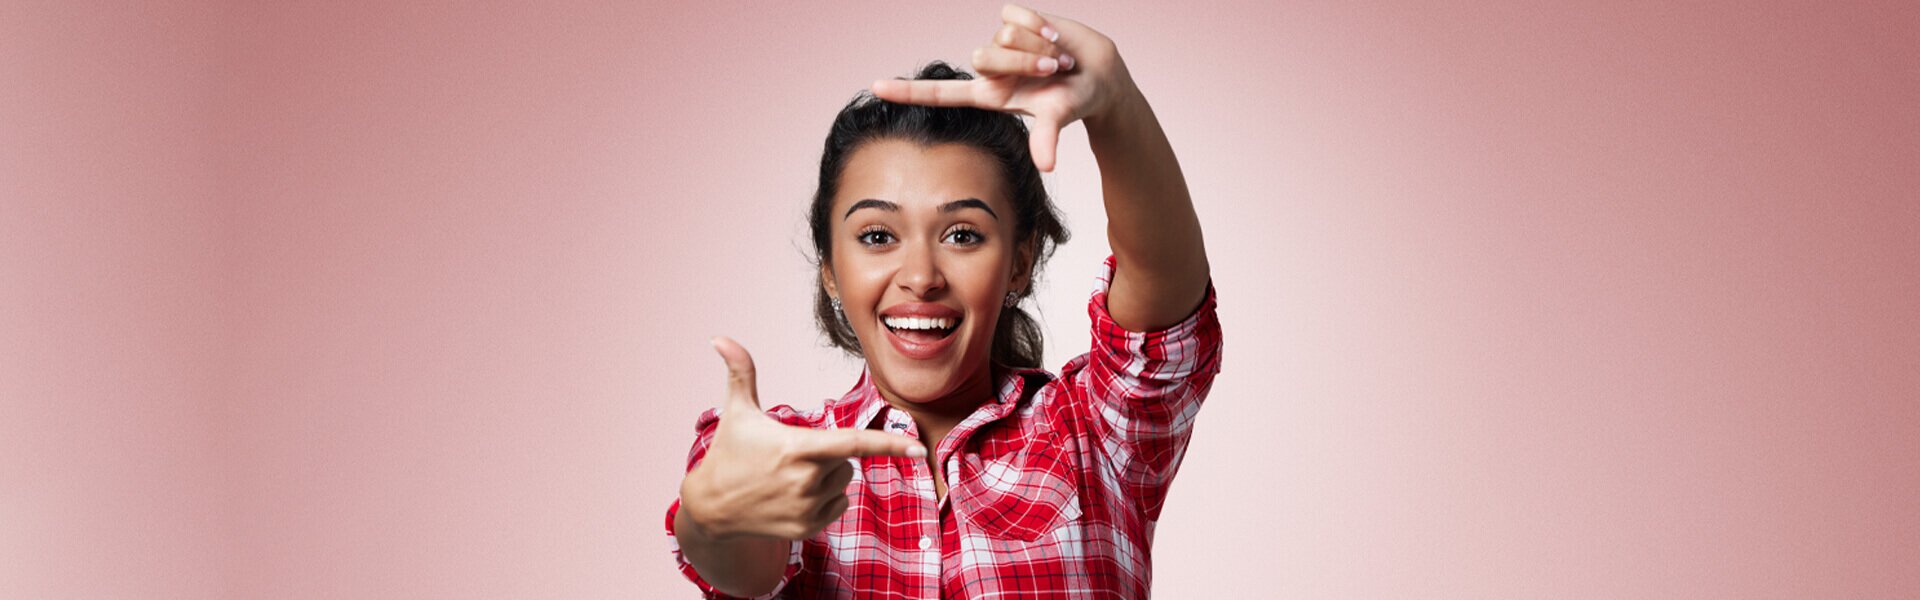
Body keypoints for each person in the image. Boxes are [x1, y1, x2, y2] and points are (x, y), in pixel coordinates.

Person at [665, 4, 1220, 597]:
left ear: (1020, 262)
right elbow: (739, 567)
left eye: (963, 235)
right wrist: (714, 519)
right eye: (877, 236)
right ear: (830, 269)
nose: (922, 275)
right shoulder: (783, 454)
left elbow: (1164, 296)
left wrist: (1116, 105)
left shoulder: (1093, 436)